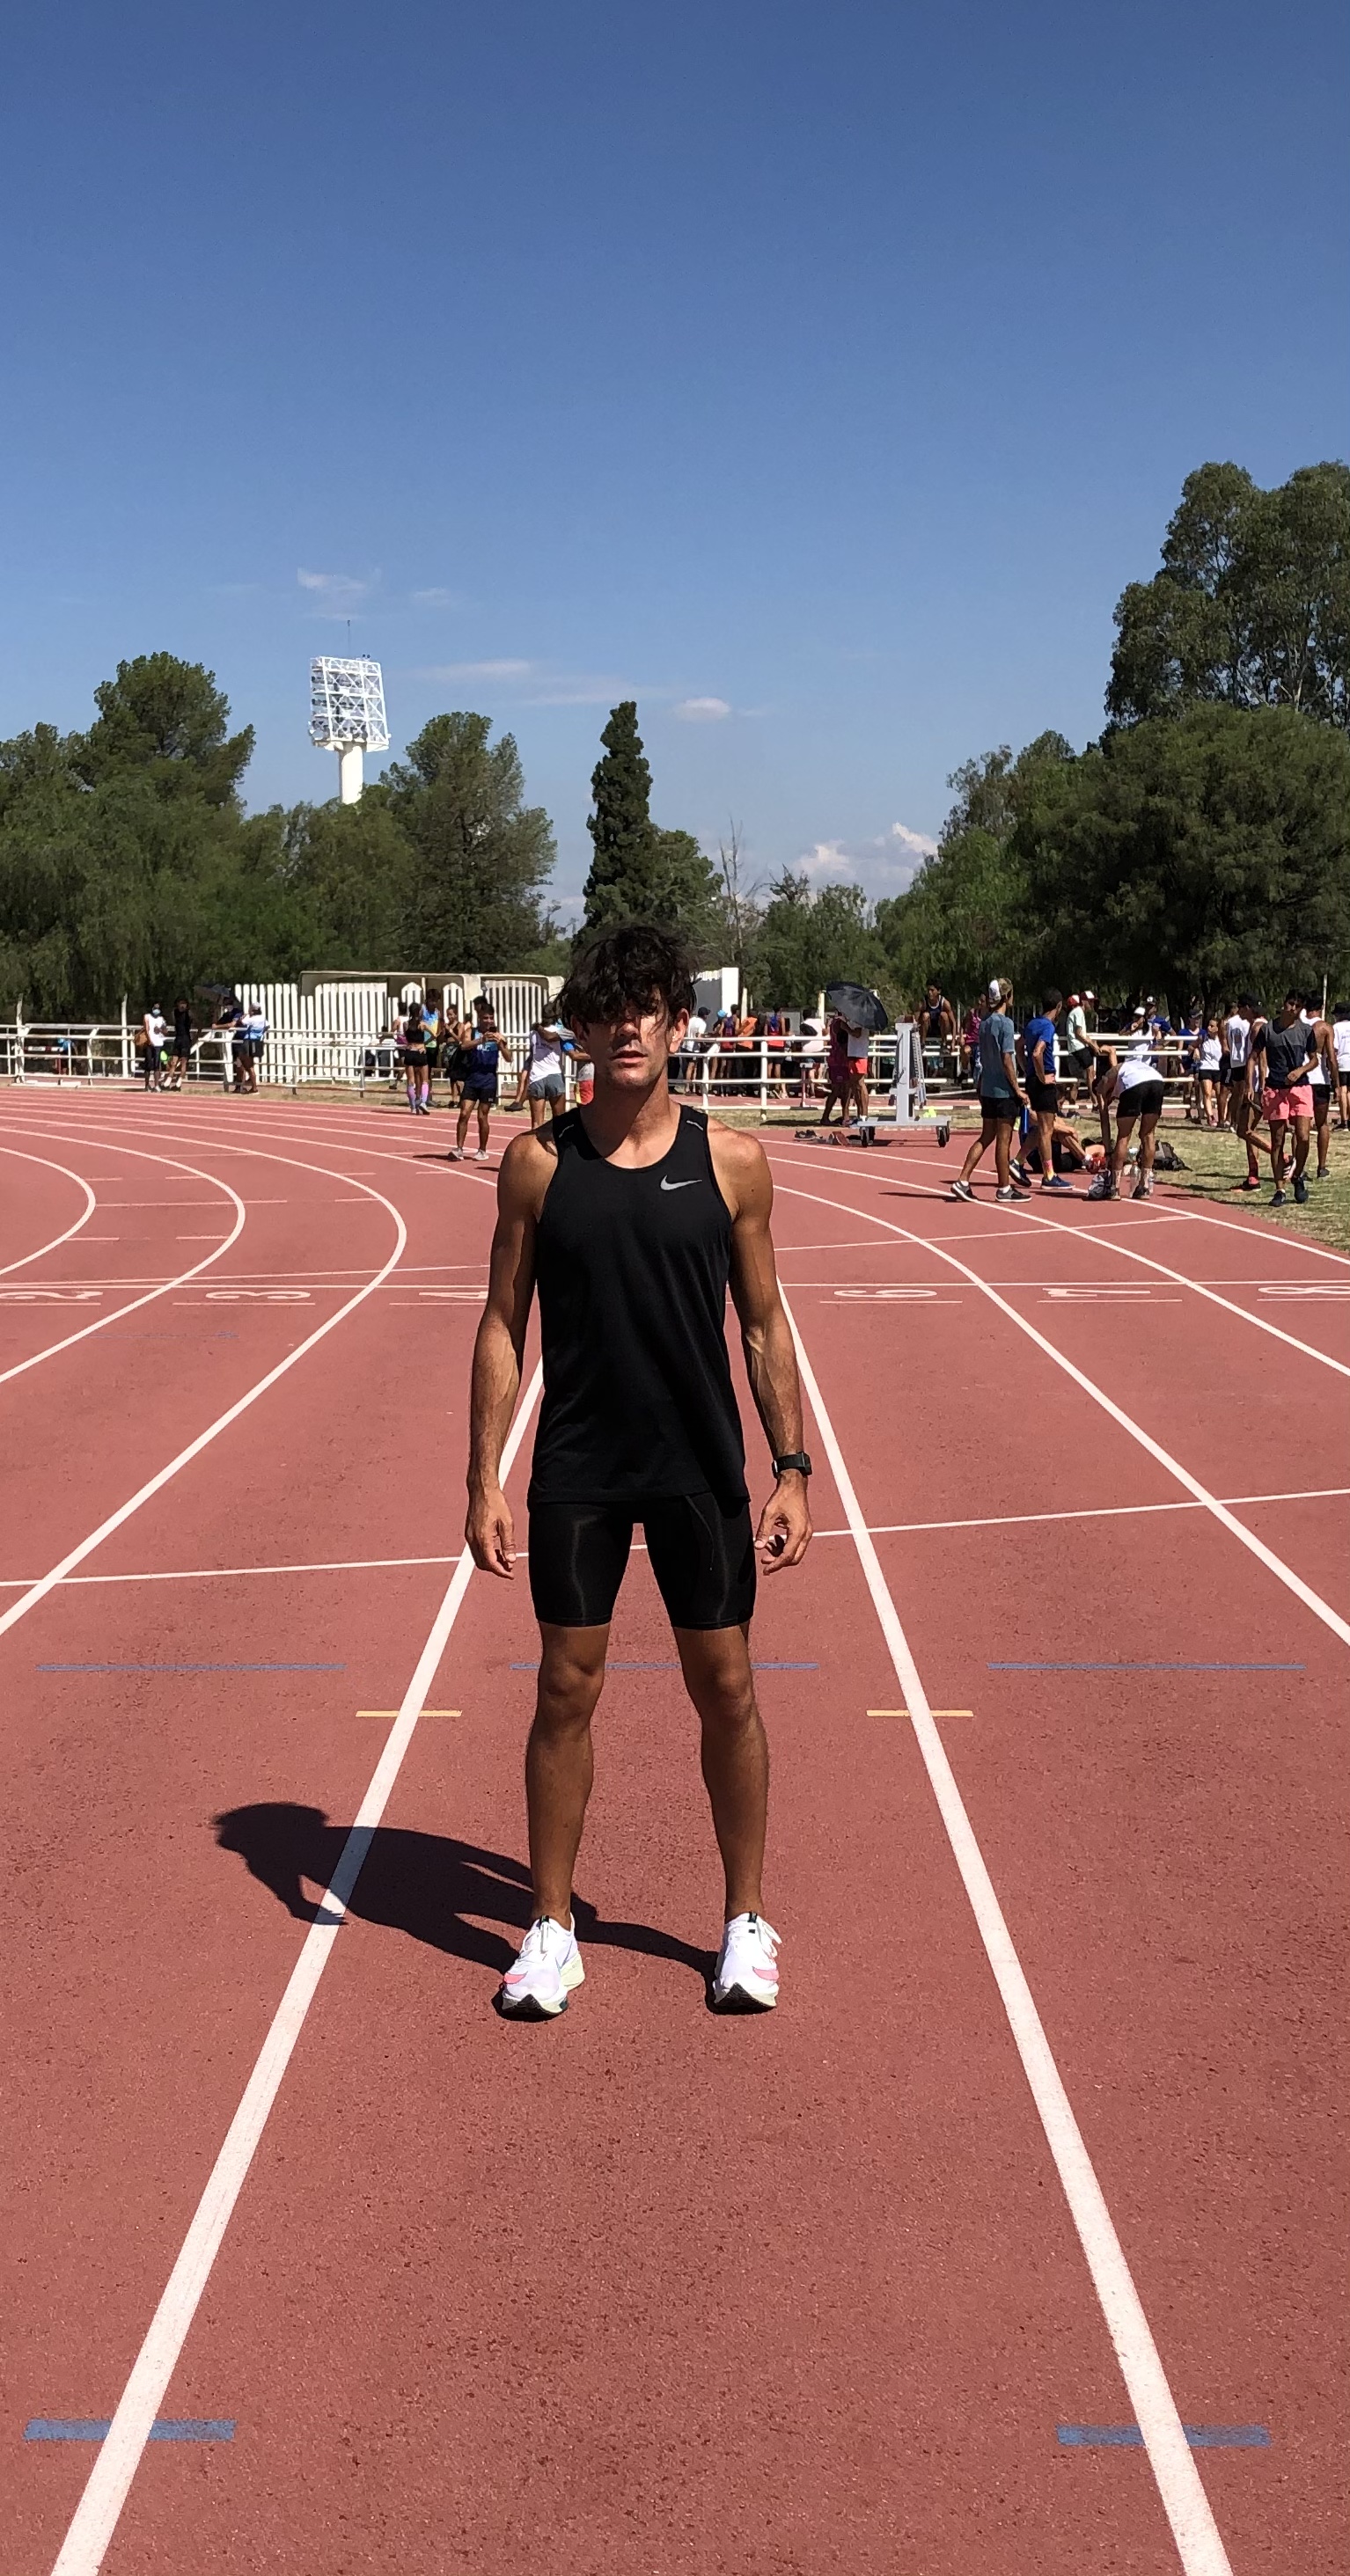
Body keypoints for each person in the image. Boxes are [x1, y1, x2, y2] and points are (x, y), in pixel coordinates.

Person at [466, 921, 813, 2019]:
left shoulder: (731, 1161)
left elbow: (763, 1321)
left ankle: (745, 1922)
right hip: (578, 1466)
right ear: (578, 1028)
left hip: (698, 1465)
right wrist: (482, 1477)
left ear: (676, 1025)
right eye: (607, 1010)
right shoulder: (537, 1165)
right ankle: (551, 1929)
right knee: (564, 1688)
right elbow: (501, 1323)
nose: (627, 1026)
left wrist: (792, 1468)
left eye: (647, 1008)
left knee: (728, 1688)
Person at [949, 980, 1029, 1202]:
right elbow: (1007, 1059)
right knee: (1004, 1141)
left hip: (987, 1089)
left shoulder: (983, 1024)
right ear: (1007, 997)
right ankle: (1004, 1188)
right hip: (1003, 1091)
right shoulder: (1006, 1024)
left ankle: (963, 1179)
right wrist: (1018, 1090)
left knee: (986, 1136)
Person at [1089, 1026, 1164, 1199]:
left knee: (1124, 1136)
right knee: (1148, 1135)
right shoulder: (1123, 1069)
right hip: (1157, 1082)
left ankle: (1114, 1187)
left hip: (1135, 1085)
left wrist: (1109, 1152)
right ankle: (1144, 1186)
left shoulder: (1104, 1081)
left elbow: (1104, 1117)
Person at [1255, 992, 1317, 1205]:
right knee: (1278, 1140)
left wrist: (1300, 1071)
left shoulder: (1306, 1031)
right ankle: (1279, 1189)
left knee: (1303, 1137)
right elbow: (1253, 1056)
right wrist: (1252, 1086)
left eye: (1298, 1006)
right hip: (1275, 1088)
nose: (1293, 1009)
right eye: (1291, 1004)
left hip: (1300, 1087)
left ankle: (1297, 1175)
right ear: (1284, 1004)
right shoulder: (1267, 1029)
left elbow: (1314, 1060)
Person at [1023, 990, 1072, 1192]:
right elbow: (1037, 1053)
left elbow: (1019, 1046)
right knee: (1046, 1130)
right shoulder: (1048, 1027)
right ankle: (1049, 1175)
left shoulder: (1031, 1024)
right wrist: (1043, 1076)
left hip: (1031, 1080)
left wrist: (1026, 1069)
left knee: (1042, 1127)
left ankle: (1018, 1161)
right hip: (1043, 1081)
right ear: (1058, 1007)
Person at [450, 1008, 511, 1161]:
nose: (489, 1021)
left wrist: (500, 1044)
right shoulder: (472, 1032)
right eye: (485, 1018)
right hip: (472, 1079)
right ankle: (459, 1148)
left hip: (488, 1081)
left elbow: (509, 1058)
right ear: (480, 1018)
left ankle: (482, 1150)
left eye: (491, 1018)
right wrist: (481, 1040)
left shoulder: (499, 1036)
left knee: (482, 1117)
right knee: (464, 1113)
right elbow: (463, 1046)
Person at [1226, 995, 1265, 1189]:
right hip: (1256, 1084)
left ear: (1248, 1008)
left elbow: (1261, 1059)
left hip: (1258, 1086)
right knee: (1249, 1131)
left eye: (1241, 1007)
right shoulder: (1255, 1026)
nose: (1238, 1011)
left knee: (1245, 1130)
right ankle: (1253, 1176)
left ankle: (1284, 1159)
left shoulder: (1258, 1028)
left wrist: (1259, 1086)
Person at [515, 1017, 567, 1131]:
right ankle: (558, 1141)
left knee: (536, 1124)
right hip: (554, 1074)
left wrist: (537, 1027)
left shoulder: (533, 1033)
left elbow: (533, 1051)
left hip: (537, 1076)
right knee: (560, 1120)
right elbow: (551, 1038)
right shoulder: (560, 1030)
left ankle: (536, 1142)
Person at [1302, 997, 1334, 1180]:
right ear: (1321, 1007)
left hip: (1301, 1078)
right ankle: (1321, 1167)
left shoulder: (1297, 1026)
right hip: (1320, 1079)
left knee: (1301, 1126)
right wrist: (1337, 1083)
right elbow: (1331, 1058)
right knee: (1322, 1124)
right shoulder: (1324, 1028)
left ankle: (1299, 1168)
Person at [402, 997, 432, 1115]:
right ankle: (423, 1102)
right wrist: (424, 1044)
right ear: (419, 1012)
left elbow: (406, 1037)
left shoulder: (406, 1024)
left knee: (411, 1081)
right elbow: (435, 1035)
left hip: (410, 1051)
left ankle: (413, 1106)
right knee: (425, 1080)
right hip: (420, 1051)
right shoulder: (423, 1024)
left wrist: (410, 1044)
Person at [1062, 992, 1094, 1097]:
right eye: (1090, 1001)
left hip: (1073, 1048)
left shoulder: (1074, 1013)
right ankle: (1095, 1099)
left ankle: (1067, 1104)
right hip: (1078, 1047)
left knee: (1074, 1081)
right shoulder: (1078, 1012)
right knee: (1089, 1072)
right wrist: (1092, 1044)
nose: (1092, 1004)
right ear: (1083, 1001)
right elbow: (1079, 1033)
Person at [919, 982, 954, 1077]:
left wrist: (953, 1041)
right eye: (928, 990)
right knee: (925, 1015)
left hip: (941, 1029)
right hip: (928, 1029)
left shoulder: (945, 1003)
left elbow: (953, 1023)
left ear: (938, 991)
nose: (929, 993)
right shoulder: (924, 1002)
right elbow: (916, 1020)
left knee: (944, 1015)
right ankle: (922, 1044)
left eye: (932, 990)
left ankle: (943, 1044)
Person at [1195, 1017, 1222, 1128]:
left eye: (1212, 1026)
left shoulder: (1222, 1039)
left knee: (1220, 1094)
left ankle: (1223, 1117)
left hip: (1218, 1068)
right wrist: (1196, 1049)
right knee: (1207, 1093)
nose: (1209, 1028)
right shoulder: (1203, 1037)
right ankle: (1210, 1117)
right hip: (1205, 1068)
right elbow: (1192, 1046)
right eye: (1208, 1025)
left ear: (1217, 1028)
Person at [843, 1019, 870, 1124]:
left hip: (860, 1054)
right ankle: (860, 1113)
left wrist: (846, 1028)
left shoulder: (859, 1019)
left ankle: (864, 1114)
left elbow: (857, 1033)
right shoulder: (852, 1018)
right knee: (854, 1084)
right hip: (853, 1052)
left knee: (860, 1083)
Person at [168, 997, 194, 1089]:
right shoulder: (175, 1013)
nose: (182, 1005)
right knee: (173, 1062)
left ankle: (179, 1083)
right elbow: (173, 1021)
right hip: (178, 1038)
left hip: (185, 1040)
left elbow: (195, 1021)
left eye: (184, 1003)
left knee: (183, 1062)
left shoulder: (188, 1014)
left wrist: (195, 1038)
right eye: (180, 1003)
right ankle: (168, 1081)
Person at [141, 1003, 167, 1090]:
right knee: (148, 1064)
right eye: (155, 1008)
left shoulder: (161, 1019)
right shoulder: (147, 1016)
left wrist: (160, 1030)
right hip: (149, 1043)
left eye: (158, 1008)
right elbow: (146, 1028)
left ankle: (156, 1085)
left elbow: (165, 1031)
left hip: (158, 1043)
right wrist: (149, 1040)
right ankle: (147, 1085)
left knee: (157, 1064)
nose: (157, 1010)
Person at [1333, 1001, 1350, 1131]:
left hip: (1342, 1062)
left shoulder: (1336, 1027)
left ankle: (1344, 1121)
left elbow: (1335, 1048)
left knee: (1343, 1090)